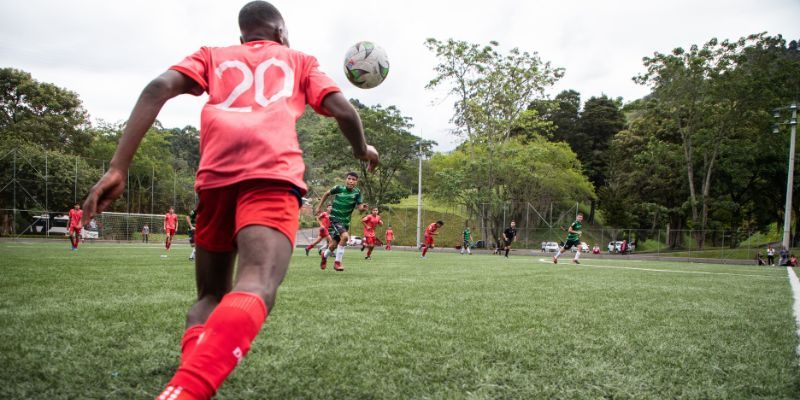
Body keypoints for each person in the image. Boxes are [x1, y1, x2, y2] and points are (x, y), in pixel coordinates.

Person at [79, 2, 379, 399]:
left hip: (215, 179)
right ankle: (186, 390)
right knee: (258, 281)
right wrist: (362, 149)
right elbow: (343, 109)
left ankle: (191, 370)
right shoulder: (299, 60)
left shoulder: (211, 56)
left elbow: (157, 88)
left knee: (209, 296)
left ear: (243, 37)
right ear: (282, 34)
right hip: (271, 174)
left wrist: (118, 168)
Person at [317, 172, 370, 271]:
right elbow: (326, 194)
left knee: (333, 245)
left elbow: (359, 207)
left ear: (356, 182)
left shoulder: (357, 192)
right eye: (349, 178)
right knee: (345, 237)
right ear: (346, 180)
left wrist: (363, 208)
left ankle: (324, 255)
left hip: (345, 222)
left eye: (353, 179)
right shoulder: (339, 188)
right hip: (335, 218)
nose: (351, 181)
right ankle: (337, 262)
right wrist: (319, 207)